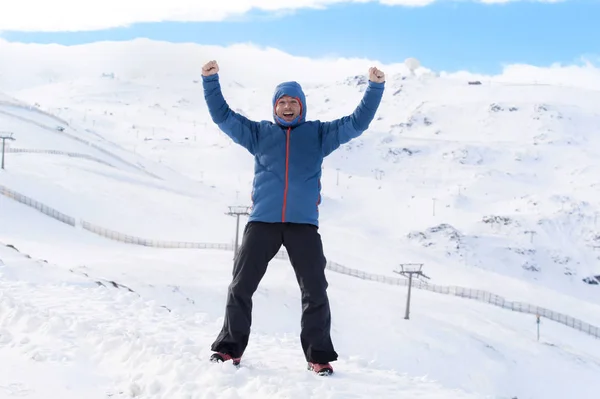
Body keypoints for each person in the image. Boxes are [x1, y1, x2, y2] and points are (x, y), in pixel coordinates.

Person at [201, 60, 385, 375]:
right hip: (262, 223)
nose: (287, 107)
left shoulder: (319, 134)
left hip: (303, 226)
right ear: (275, 107)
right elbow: (223, 117)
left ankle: (318, 356)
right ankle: (229, 349)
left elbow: (357, 122)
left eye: (293, 102)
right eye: (282, 102)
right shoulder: (259, 133)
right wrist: (210, 80)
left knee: (315, 290)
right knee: (241, 285)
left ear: (302, 107)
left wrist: (375, 87)